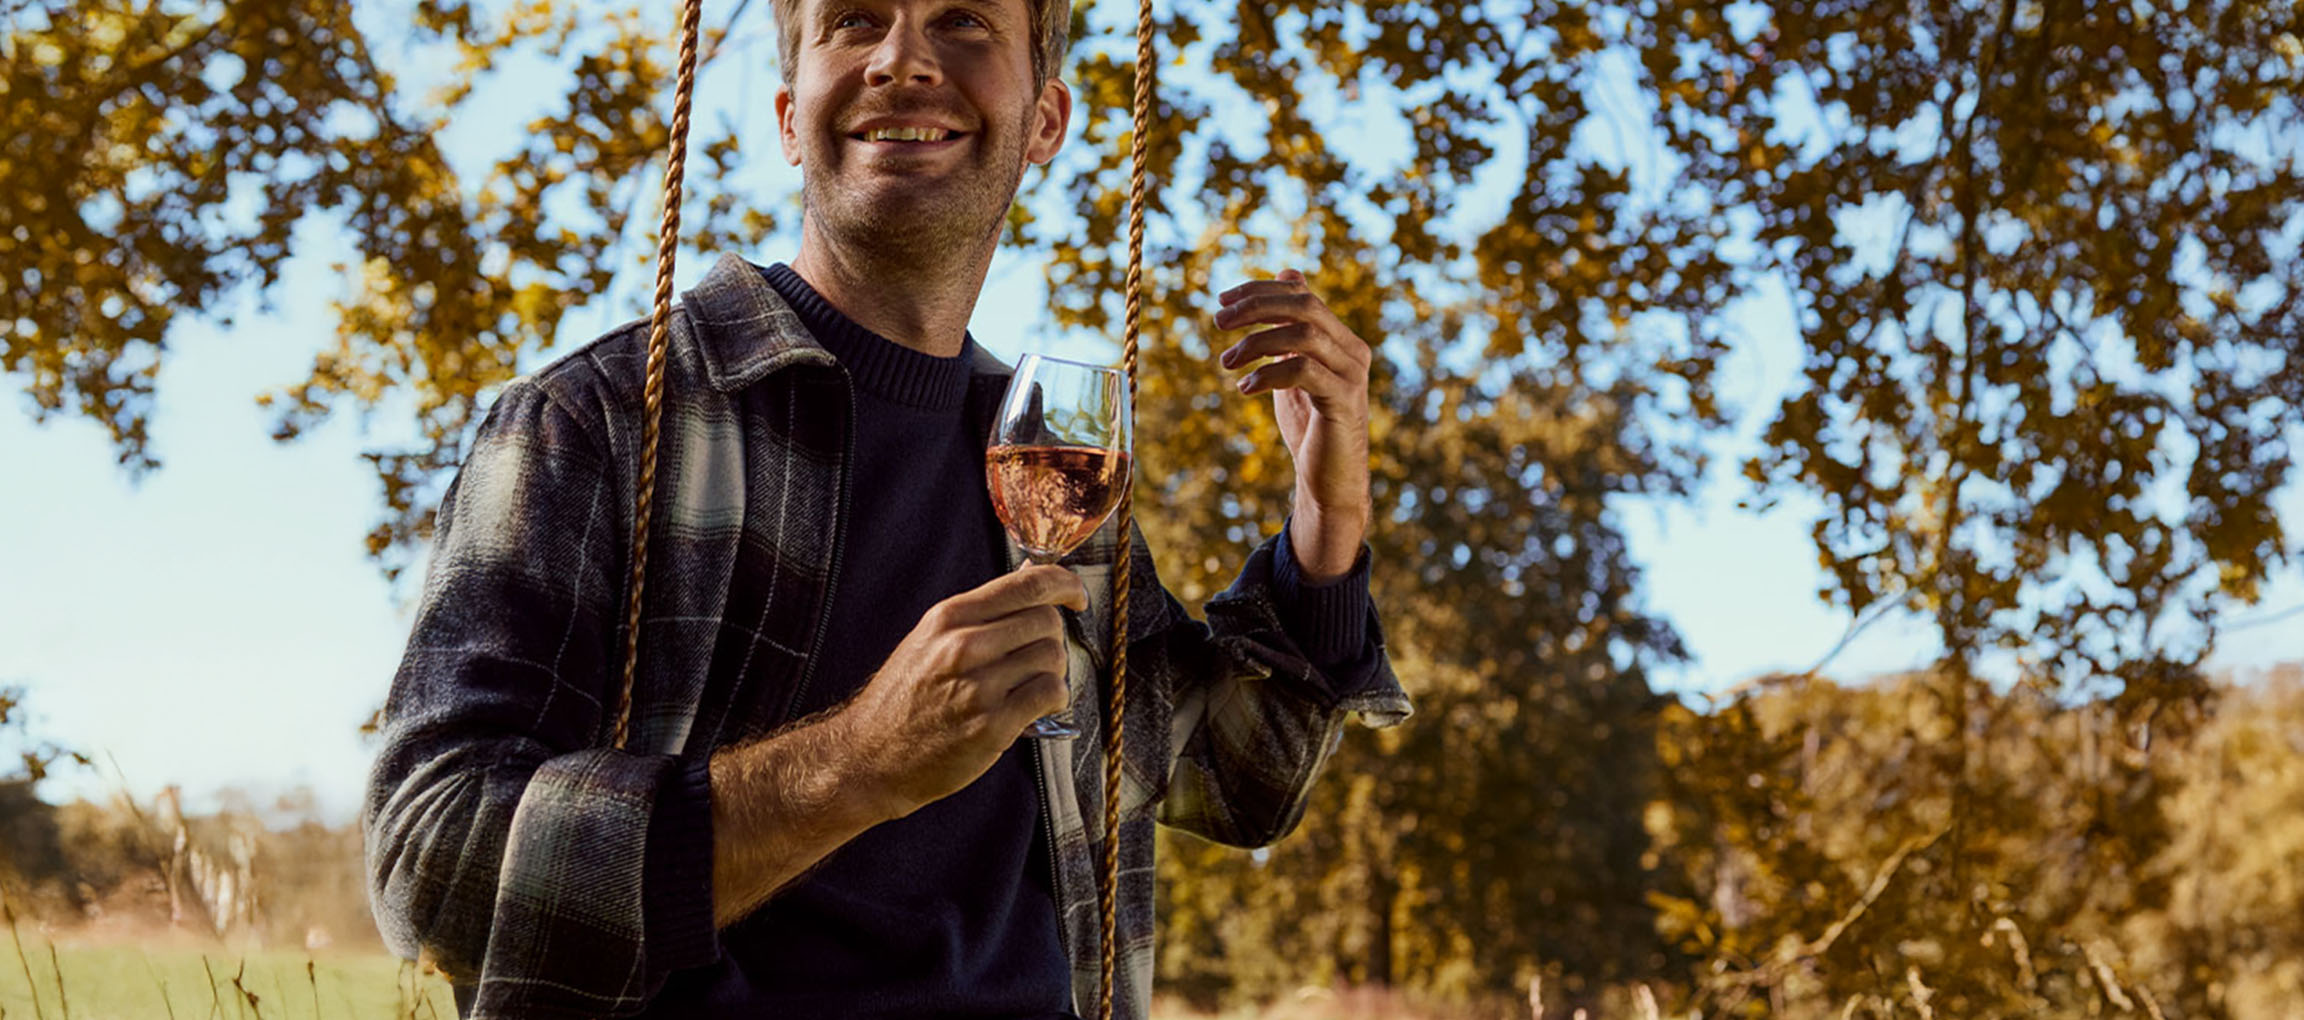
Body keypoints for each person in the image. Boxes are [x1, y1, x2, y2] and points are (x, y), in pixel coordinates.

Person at [361, 0, 1410, 1016]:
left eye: (964, 21)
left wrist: (1328, 524)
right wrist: (855, 764)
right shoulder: (592, 426)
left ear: (1046, 120)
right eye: (855, 19)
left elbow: (1231, 779)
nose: (902, 59)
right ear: (788, 114)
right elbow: (430, 870)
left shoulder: (1045, 472)